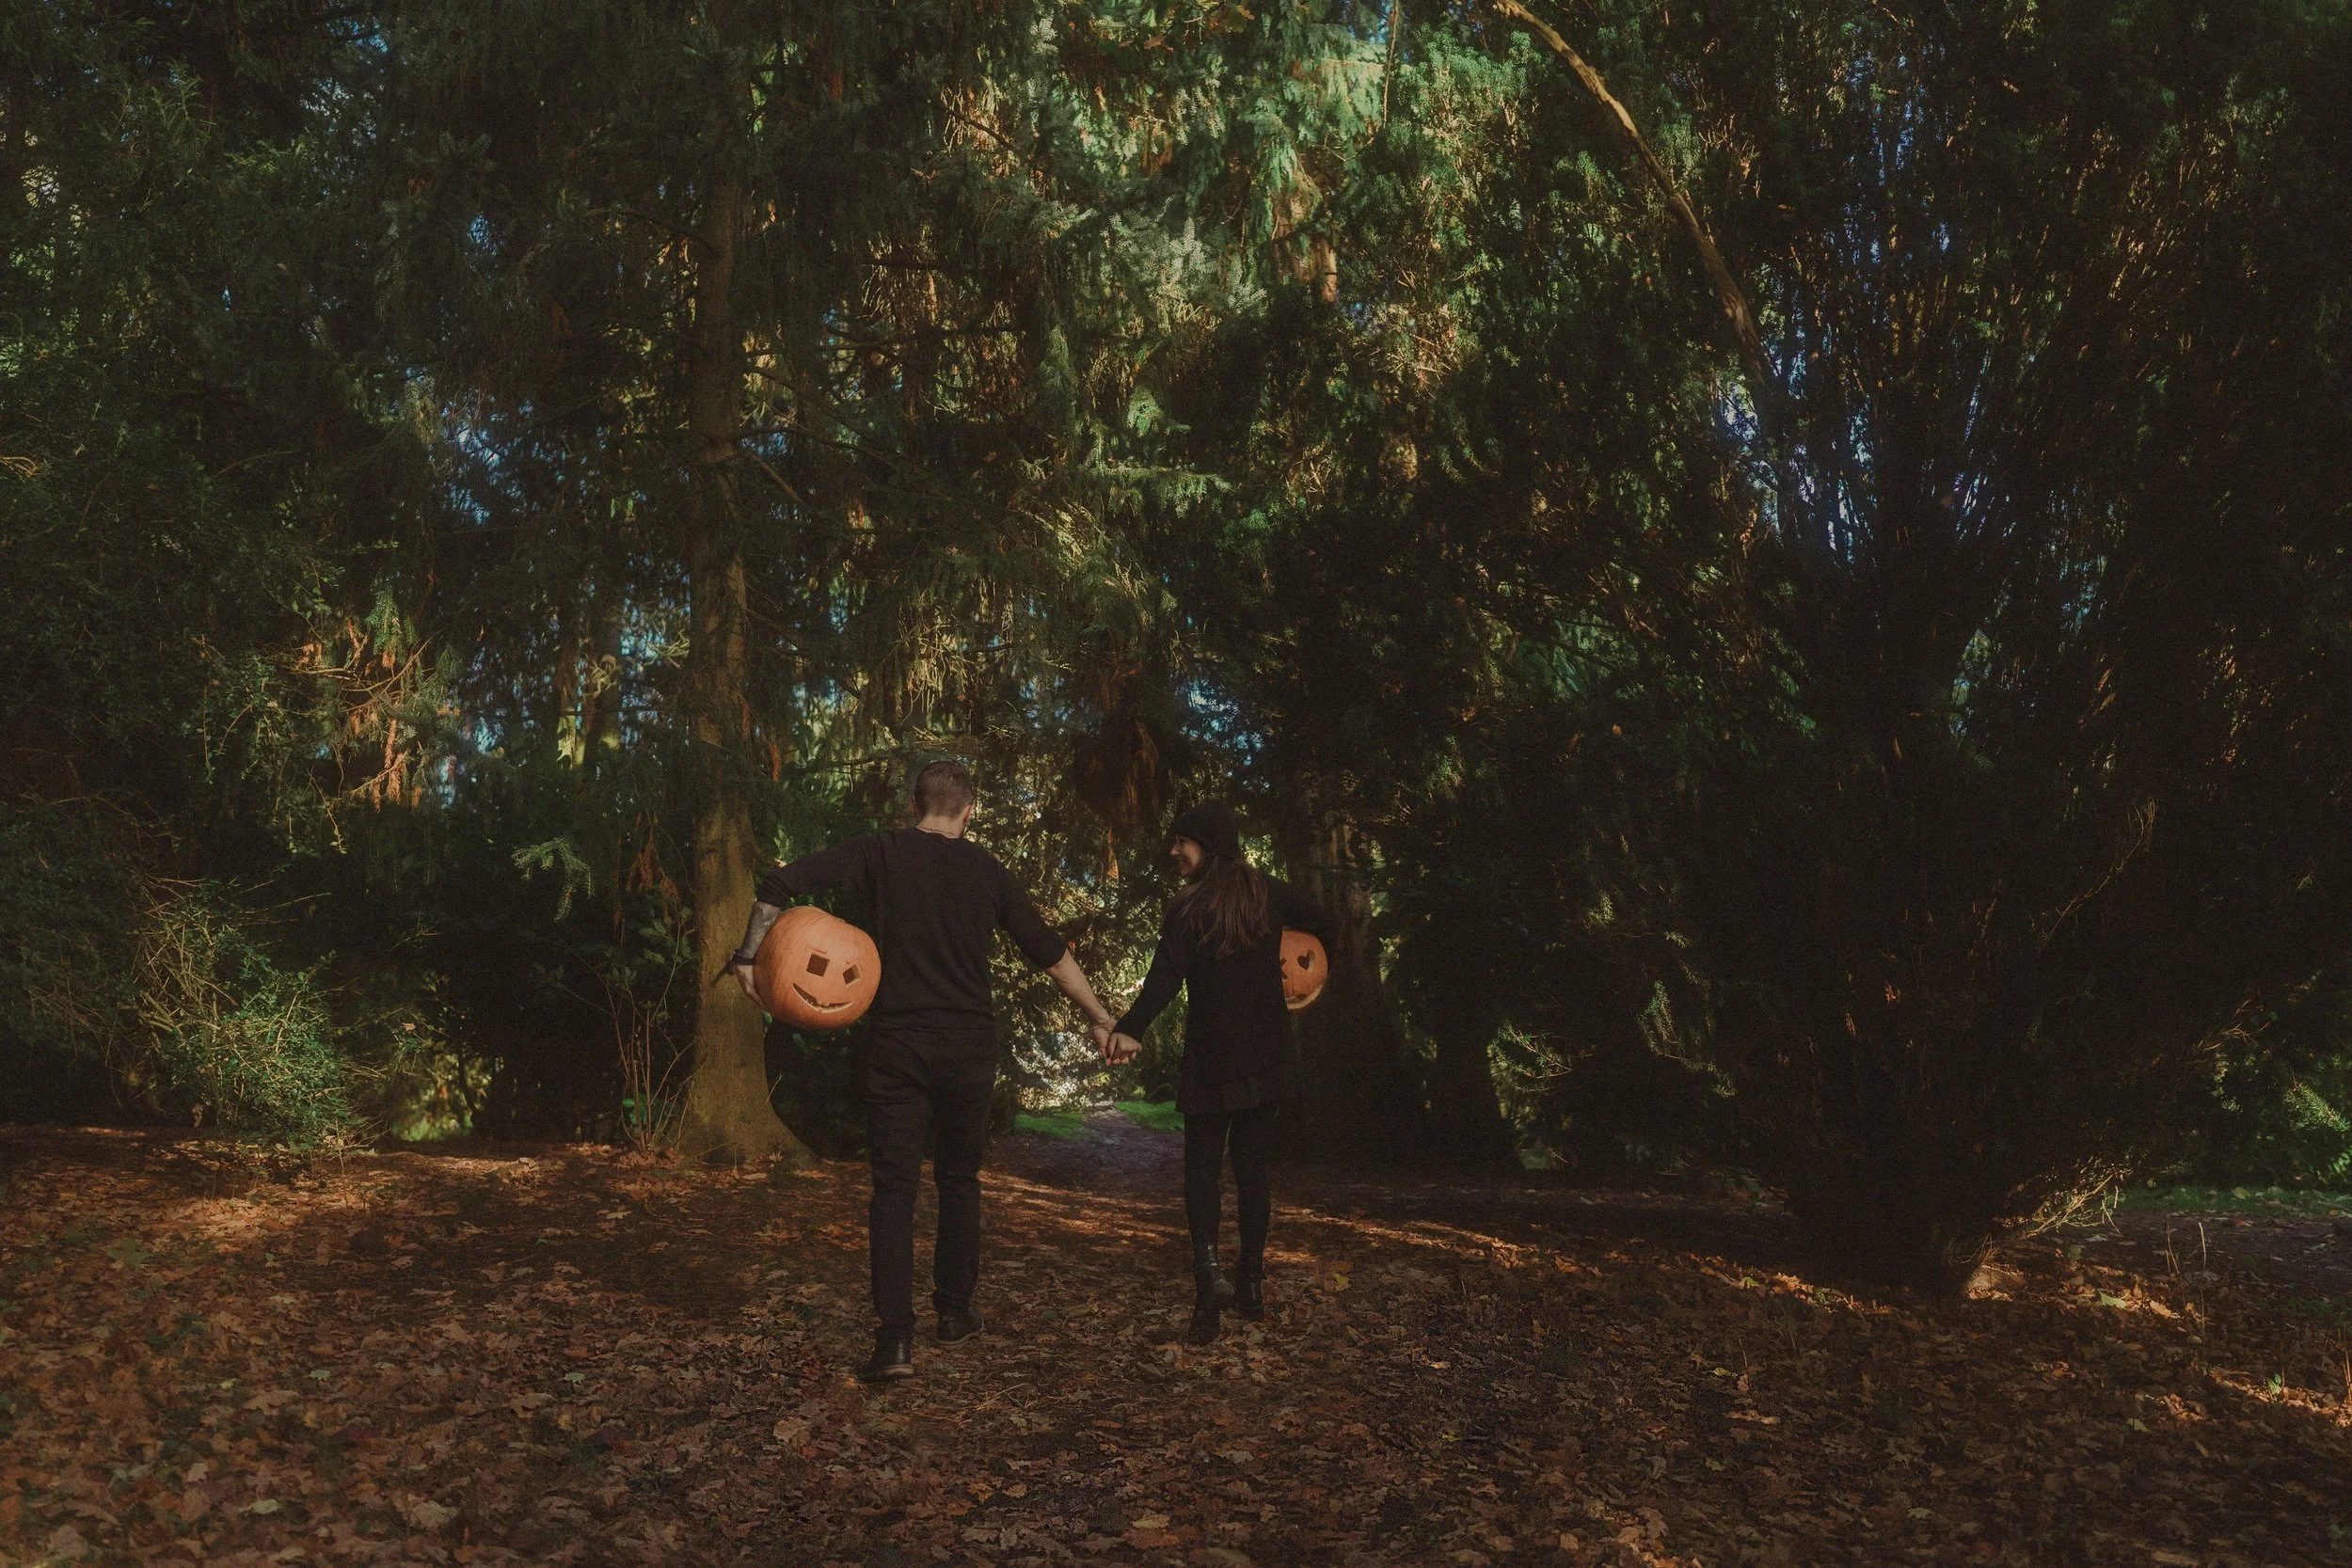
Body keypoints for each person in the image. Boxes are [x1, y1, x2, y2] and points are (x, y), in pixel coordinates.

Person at [731, 759, 1120, 1383]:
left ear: (916, 805)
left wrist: (749, 956)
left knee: (894, 1188)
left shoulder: (881, 851)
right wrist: (1100, 1017)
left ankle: (895, 1343)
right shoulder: (989, 870)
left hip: (899, 1044)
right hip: (970, 1046)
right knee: (961, 1180)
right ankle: (955, 1310)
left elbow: (779, 881)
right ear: (969, 811)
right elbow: (1049, 952)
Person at [1104, 801, 1331, 1344]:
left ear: (1211, 844)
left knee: (1203, 1173)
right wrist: (1301, 966)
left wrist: (1131, 1027)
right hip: (1267, 1054)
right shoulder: (1269, 894)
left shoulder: (1190, 907)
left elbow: (1164, 977)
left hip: (1212, 1058)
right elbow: (1327, 922)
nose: (1174, 851)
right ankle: (1250, 1282)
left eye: (1183, 841)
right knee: (1253, 1171)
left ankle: (1210, 1289)